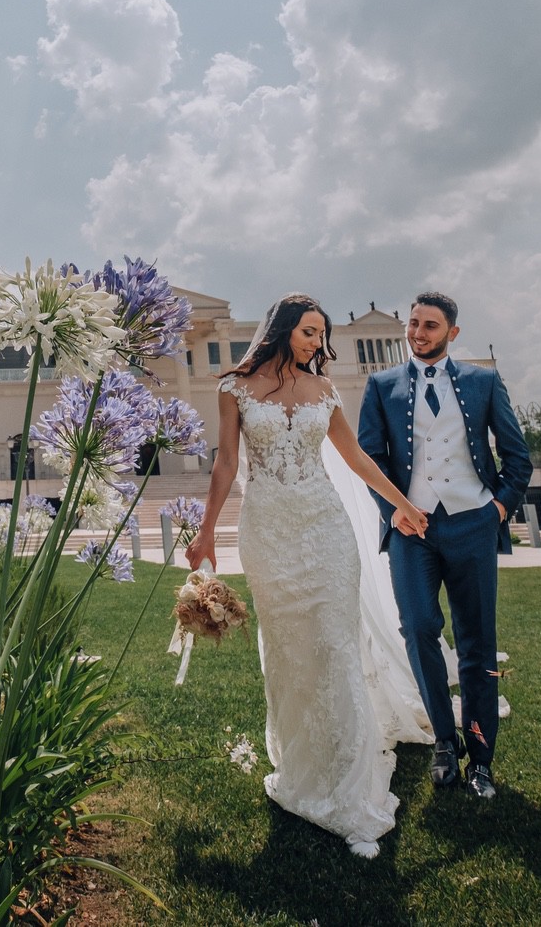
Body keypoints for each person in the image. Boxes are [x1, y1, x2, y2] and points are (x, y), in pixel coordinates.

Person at [185, 294, 430, 857]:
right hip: (268, 531)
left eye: (321, 335)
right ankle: (303, 771)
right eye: (308, 332)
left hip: (326, 529)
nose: (316, 343)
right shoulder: (233, 387)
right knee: (292, 650)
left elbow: (357, 458)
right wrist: (205, 534)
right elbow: (225, 463)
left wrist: (400, 503)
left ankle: (347, 790)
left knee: (336, 646)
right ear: (282, 330)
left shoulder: (325, 390)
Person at [357, 291, 531, 801]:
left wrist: (497, 509)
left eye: (430, 325)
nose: (418, 332)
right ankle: (442, 741)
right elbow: (371, 457)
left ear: (452, 333)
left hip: (471, 524)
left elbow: (517, 456)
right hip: (412, 532)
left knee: (477, 642)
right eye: (413, 323)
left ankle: (481, 758)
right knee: (418, 630)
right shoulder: (381, 385)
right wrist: (394, 510)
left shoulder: (483, 382)